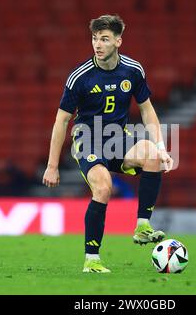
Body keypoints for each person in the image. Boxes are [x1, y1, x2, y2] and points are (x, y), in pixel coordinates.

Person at [42, 15, 173, 273]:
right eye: (94, 38)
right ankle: (92, 260)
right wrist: (52, 165)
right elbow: (61, 121)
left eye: (104, 39)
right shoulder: (80, 77)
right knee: (103, 188)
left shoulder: (133, 70)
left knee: (152, 156)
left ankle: (142, 227)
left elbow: (147, 110)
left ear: (118, 41)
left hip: (116, 138)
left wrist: (161, 146)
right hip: (87, 139)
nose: (97, 44)